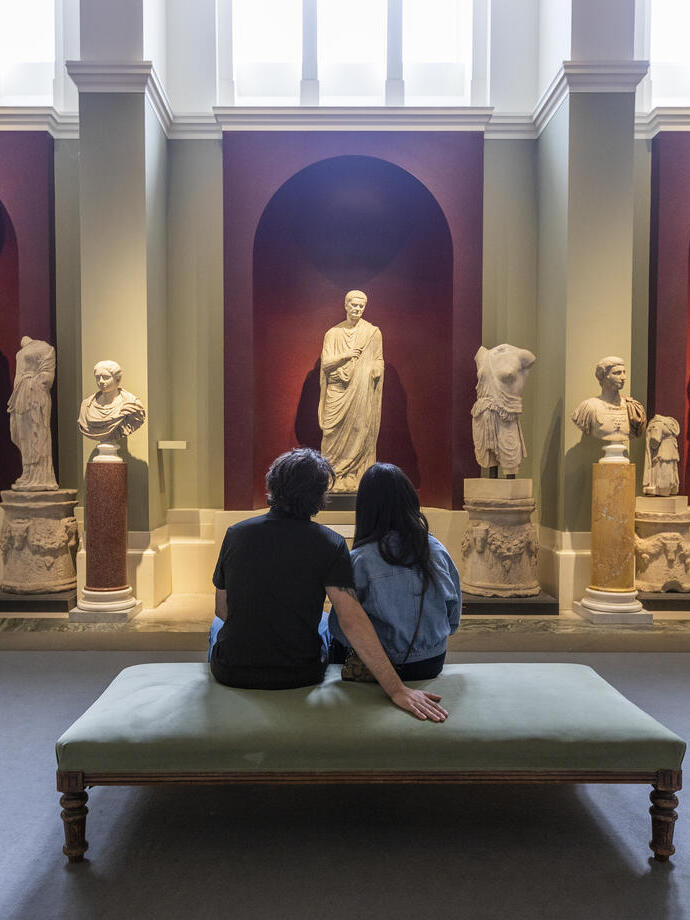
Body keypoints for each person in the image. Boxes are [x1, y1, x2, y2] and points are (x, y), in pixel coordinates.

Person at [208, 448, 447, 721]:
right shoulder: (330, 543)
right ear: (321, 497)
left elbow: (223, 610)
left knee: (217, 626)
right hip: (301, 673)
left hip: (231, 671)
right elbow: (351, 620)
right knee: (324, 622)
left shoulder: (236, 534)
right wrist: (396, 689)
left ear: (271, 484)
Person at [329, 463, 461, 680]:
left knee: (326, 626)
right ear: (409, 500)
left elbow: (343, 628)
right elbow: (453, 614)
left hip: (379, 665)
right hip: (431, 661)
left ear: (365, 508)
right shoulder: (436, 549)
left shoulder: (359, 560)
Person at [318, 290, 384, 492]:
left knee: (360, 429)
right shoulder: (333, 333)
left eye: (361, 306)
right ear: (346, 305)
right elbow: (326, 364)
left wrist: (376, 368)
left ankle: (355, 476)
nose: (357, 309)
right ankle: (333, 475)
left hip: (362, 390)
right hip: (338, 391)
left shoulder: (373, 333)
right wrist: (346, 355)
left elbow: (378, 359)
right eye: (353, 305)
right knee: (332, 433)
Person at [471, 343, 535, 478]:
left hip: (507, 415)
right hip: (483, 414)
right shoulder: (482, 355)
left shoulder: (522, 355)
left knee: (510, 459)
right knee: (489, 462)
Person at [7, 336, 58, 491]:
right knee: (23, 435)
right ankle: (28, 473)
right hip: (20, 395)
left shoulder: (45, 348)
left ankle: (41, 477)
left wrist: (34, 384)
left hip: (36, 396)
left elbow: (48, 376)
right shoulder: (20, 353)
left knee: (38, 434)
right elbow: (18, 376)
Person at [571, 356, 646, 442]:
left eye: (624, 372)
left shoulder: (633, 408)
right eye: (617, 373)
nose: (623, 377)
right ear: (604, 375)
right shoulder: (588, 407)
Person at [77, 360, 146, 442]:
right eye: (98, 377)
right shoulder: (86, 405)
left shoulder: (132, 404)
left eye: (106, 377)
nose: (101, 381)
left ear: (118, 379)